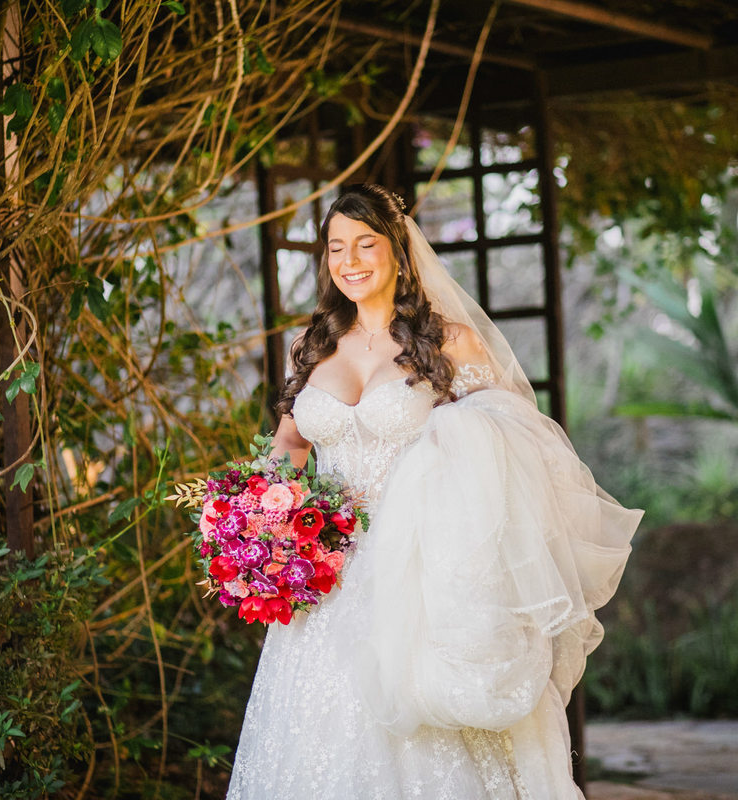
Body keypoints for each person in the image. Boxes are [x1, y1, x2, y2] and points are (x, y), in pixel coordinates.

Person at [226, 183, 642, 799]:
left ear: (398, 250)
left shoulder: (448, 340)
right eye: (336, 247)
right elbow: (290, 443)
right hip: (326, 575)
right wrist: (258, 517)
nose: (350, 260)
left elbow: (514, 435)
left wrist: (445, 462)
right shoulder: (311, 346)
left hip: (421, 577)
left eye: (366, 243)